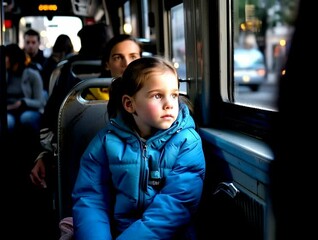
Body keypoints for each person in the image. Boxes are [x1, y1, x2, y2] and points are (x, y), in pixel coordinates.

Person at [72, 56, 205, 239]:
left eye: (174, 95)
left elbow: (177, 204)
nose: (169, 104)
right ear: (129, 104)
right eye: (157, 96)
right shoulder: (105, 142)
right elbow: (91, 198)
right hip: (118, 231)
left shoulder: (187, 142)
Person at [30, 34, 143, 189]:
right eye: (118, 57)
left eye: (133, 56)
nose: (127, 64)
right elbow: (63, 138)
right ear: (107, 64)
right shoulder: (84, 98)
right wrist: (46, 156)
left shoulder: (152, 101)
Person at [3, 43, 45, 141]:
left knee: (26, 118)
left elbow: (40, 102)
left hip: (28, 109)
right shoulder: (5, 74)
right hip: (9, 110)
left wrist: (22, 102)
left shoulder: (32, 75)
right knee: (8, 121)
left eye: (6, 57)